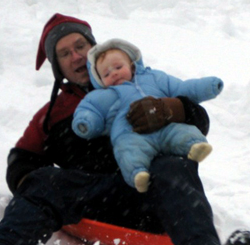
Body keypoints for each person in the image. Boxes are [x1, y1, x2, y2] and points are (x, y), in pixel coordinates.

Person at [0, 13, 250, 245]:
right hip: (97, 199)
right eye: (64, 53)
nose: (75, 56)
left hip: (154, 197)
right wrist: (36, 193)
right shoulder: (52, 114)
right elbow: (22, 159)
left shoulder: (143, 83)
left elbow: (196, 122)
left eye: (80, 46)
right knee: (44, 179)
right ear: (57, 66)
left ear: (94, 48)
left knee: (174, 166)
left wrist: (171, 109)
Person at [73, 39, 221, 192]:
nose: (114, 73)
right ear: (100, 81)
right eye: (106, 74)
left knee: (181, 131)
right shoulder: (105, 94)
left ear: (132, 65)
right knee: (127, 150)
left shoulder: (155, 78)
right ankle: (138, 174)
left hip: (165, 125)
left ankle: (195, 146)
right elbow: (91, 108)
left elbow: (182, 88)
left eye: (118, 67)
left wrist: (208, 87)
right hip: (131, 133)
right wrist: (85, 122)